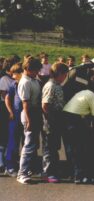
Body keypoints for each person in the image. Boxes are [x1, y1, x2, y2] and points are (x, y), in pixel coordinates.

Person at [63, 76, 94, 184]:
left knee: (73, 150)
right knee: (79, 149)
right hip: (73, 121)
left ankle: (74, 174)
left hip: (65, 119)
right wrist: (93, 129)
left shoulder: (83, 92)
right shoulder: (93, 96)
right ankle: (81, 176)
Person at [17, 56, 43, 184]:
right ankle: (22, 173)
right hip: (29, 114)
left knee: (34, 145)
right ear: (28, 69)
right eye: (35, 70)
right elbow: (25, 103)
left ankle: (29, 169)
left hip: (36, 112)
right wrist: (29, 120)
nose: (37, 72)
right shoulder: (25, 82)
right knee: (29, 145)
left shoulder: (33, 79)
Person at [41, 62, 69, 183]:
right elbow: (45, 105)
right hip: (50, 121)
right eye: (65, 75)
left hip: (56, 120)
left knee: (54, 147)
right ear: (60, 74)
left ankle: (54, 171)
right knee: (49, 148)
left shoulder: (57, 85)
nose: (65, 78)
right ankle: (48, 173)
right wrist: (51, 120)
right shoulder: (51, 85)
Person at [4, 63, 24, 177]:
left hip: (24, 117)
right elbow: (7, 98)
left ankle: (18, 164)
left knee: (24, 141)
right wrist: (11, 112)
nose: (13, 76)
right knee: (12, 142)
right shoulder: (13, 85)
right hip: (15, 117)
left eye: (15, 73)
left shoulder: (24, 83)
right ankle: (9, 166)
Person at [0, 57, 19, 172]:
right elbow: (4, 96)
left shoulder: (13, 78)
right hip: (5, 109)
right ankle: (3, 162)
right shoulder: (4, 79)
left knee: (11, 136)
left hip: (13, 108)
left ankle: (9, 160)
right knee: (4, 135)